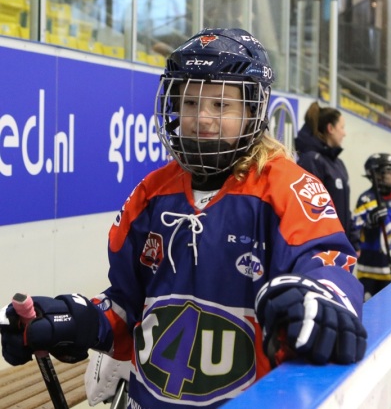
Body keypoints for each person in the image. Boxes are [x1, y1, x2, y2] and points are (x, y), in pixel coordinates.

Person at [0, 28, 367, 408]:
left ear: (253, 110)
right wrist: (77, 320)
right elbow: (128, 308)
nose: (201, 118)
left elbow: (327, 264)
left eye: (221, 105)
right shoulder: (151, 194)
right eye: (190, 103)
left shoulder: (286, 189)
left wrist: (323, 298)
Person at [295, 102, 359, 250]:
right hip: (322, 248)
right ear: (330, 128)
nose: (344, 133)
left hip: (340, 246)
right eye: (342, 127)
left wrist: (353, 240)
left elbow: (344, 208)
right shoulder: (311, 161)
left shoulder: (338, 164)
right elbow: (308, 211)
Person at [353, 153, 391, 300]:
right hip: (370, 270)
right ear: (377, 175)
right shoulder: (366, 199)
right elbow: (355, 230)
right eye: (390, 172)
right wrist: (370, 221)